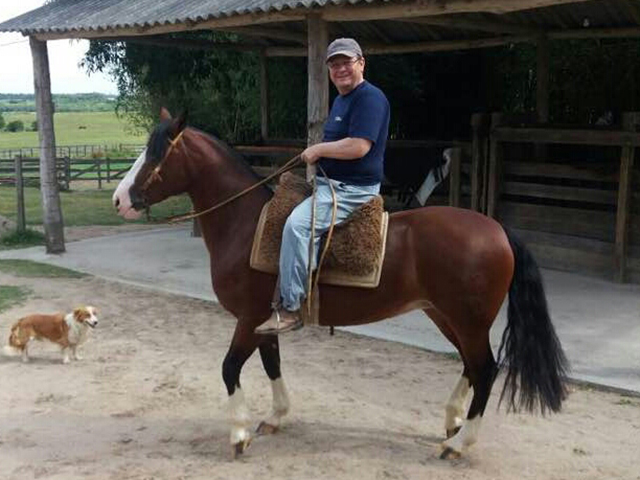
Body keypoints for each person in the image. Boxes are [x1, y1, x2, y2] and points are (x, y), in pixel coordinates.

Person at [255, 38, 390, 335]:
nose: (341, 69)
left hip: (351, 192)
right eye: (334, 64)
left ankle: (290, 309)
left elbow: (359, 147)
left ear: (361, 63)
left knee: (296, 226)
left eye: (346, 62)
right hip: (330, 186)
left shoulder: (370, 98)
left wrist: (319, 150)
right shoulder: (343, 99)